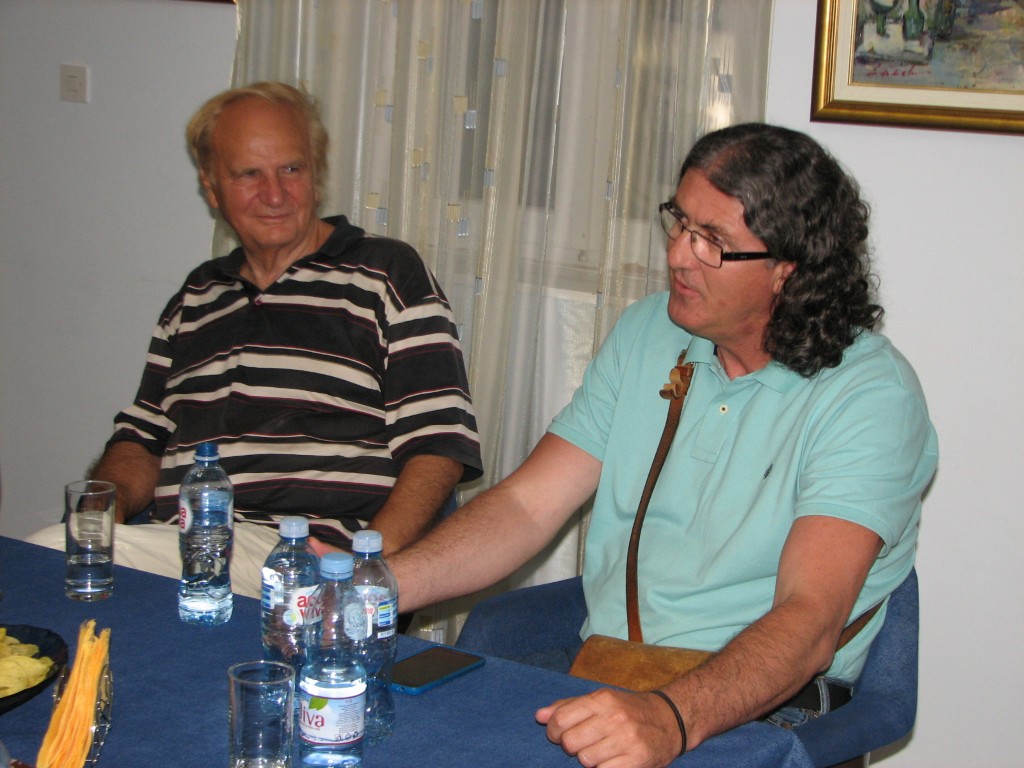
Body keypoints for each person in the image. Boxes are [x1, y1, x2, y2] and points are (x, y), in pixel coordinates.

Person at [371, 124, 937, 767]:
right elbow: (527, 507)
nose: (678, 256)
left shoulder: (869, 396)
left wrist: (671, 718)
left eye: (713, 242)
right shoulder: (648, 331)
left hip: (761, 706)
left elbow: (809, 618)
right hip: (612, 674)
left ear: (788, 268)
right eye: (679, 222)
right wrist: (376, 588)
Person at [29, 82, 482, 597]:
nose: (275, 194)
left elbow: (438, 442)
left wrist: (370, 570)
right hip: (185, 544)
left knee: (45, 557)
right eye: (249, 174)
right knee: (57, 557)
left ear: (316, 174)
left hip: (305, 556)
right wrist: (96, 520)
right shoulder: (197, 297)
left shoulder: (385, 273)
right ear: (211, 188)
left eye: (291, 169)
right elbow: (143, 439)